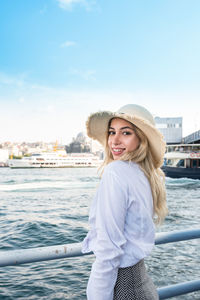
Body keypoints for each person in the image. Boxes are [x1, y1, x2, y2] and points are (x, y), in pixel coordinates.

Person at [82, 104, 168, 300]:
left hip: (122, 290)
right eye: (112, 132)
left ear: (141, 139)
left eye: (126, 133)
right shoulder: (145, 175)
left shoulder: (116, 172)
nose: (115, 140)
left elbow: (108, 250)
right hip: (143, 286)